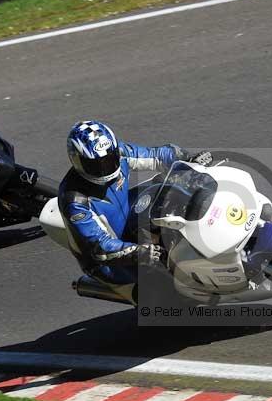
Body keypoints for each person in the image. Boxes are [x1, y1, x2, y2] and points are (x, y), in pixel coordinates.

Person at [59, 120, 211, 285]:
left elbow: (157, 155)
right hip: (110, 261)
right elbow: (100, 247)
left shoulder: (119, 153)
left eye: (109, 159)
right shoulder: (75, 202)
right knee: (166, 285)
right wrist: (140, 252)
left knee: (168, 186)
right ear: (76, 161)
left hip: (129, 216)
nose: (105, 168)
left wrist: (189, 160)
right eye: (95, 165)